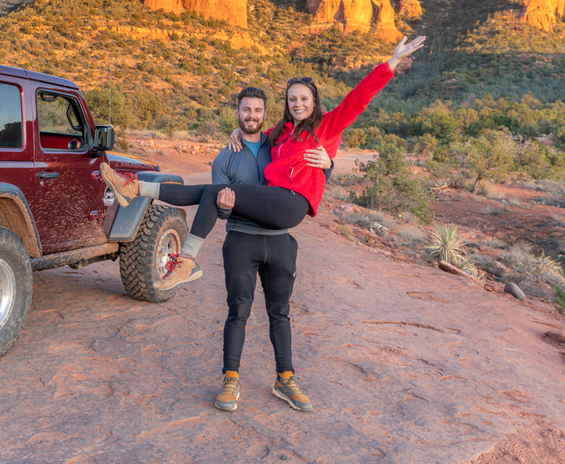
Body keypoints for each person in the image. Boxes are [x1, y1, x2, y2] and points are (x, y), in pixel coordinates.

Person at [100, 35, 425, 291]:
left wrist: (391, 62)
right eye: (292, 99)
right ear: (287, 103)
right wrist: (235, 129)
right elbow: (252, 130)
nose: (298, 104)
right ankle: (135, 189)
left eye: (304, 99)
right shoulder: (281, 133)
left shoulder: (325, 127)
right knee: (209, 191)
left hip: (292, 203)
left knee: (214, 192)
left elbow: (359, 98)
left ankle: (185, 261)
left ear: (314, 103)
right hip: (274, 200)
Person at [210, 86, 331, 412]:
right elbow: (220, 211)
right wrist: (223, 208)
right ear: (237, 113)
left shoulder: (277, 142)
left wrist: (329, 163)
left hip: (279, 241)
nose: (251, 116)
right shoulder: (225, 156)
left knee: (281, 313)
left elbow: (310, 169)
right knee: (239, 311)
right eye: (245, 111)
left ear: (266, 116)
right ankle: (231, 378)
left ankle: (285, 379)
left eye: (257, 111)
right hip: (241, 240)